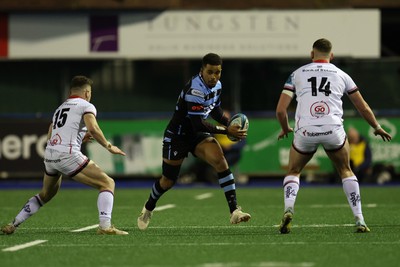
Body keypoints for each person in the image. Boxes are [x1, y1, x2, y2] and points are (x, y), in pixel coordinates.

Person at [275, 38, 392, 234]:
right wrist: (377, 126)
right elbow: (362, 106)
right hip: (333, 130)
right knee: (345, 170)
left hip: (306, 131)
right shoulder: (342, 75)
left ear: (312, 54)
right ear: (332, 56)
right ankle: (359, 219)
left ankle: (288, 208)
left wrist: (285, 127)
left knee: (294, 170)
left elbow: (280, 110)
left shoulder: (297, 74)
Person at [1, 75, 128, 235]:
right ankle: (105, 226)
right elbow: (93, 128)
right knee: (107, 183)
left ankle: (14, 223)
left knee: (45, 195)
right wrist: (109, 146)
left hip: (50, 154)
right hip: (68, 155)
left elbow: (51, 132)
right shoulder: (86, 105)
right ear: (87, 92)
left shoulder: (60, 107)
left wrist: (79, 138)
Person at [137, 53, 251, 230]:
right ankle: (149, 206)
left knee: (220, 160)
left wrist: (228, 122)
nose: (214, 76)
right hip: (178, 136)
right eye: (210, 72)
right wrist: (226, 130)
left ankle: (234, 211)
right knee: (168, 181)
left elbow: (215, 109)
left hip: (197, 136)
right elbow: (198, 123)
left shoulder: (217, 85)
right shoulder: (195, 89)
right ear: (202, 71)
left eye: (218, 72)